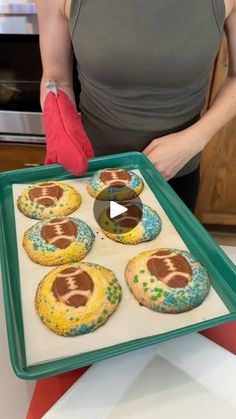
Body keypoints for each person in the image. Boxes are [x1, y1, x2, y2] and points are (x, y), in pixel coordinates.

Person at [36, 0, 236, 211]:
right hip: (94, 168)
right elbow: (55, 79)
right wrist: (62, 132)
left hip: (175, 169)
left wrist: (194, 140)